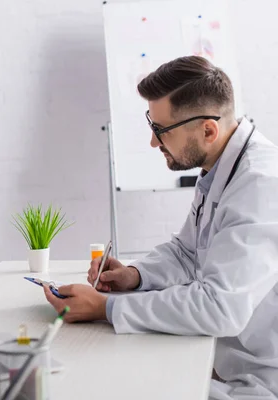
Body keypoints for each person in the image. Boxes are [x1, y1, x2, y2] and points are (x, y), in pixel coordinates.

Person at [43, 56, 278, 399]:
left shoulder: (260, 185)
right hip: (221, 359)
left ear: (207, 130)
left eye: (161, 130)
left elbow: (218, 308)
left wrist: (105, 308)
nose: (154, 143)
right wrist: (135, 275)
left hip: (258, 378)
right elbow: (187, 252)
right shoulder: (221, 166)